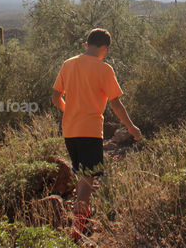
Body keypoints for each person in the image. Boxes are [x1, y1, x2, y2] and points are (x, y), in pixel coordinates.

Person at [52, 28, 141, 242]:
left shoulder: (68, 64)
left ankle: (84, 217)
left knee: (83, 177)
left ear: (86, 45)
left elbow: (56, 97)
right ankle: (76, 234)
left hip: (70, 131)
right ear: (104, 48)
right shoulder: (104, 69)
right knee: (86, 182)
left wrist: (70, 111)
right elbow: (116, 104)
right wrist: (132, 128)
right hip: (90, 132)